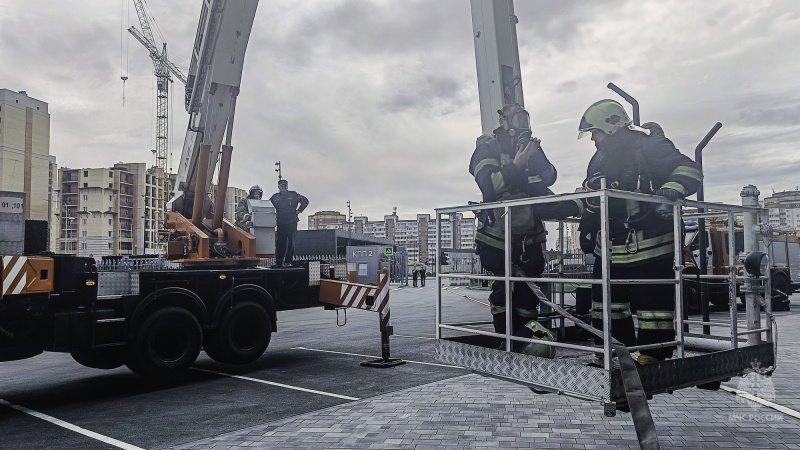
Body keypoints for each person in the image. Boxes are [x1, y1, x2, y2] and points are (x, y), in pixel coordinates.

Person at [577, 99, 702, 364]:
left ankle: (652, 356)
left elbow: (690, 169)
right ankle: (613, 354)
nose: (593, 139)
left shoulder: (650, 146)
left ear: (610, 127)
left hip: (651, 243)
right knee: (605, 305)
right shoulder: (598, 158)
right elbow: (592, 196)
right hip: (610, 246)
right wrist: (586, 229)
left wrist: (673, 188)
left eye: (595, 132)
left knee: (653, 307)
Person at [469, 103, 580, 341]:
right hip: (498, 240)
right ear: (502, 121)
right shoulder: (487, 149)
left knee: (528, 295)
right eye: (516, 118)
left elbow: (548, 178)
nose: (522, 123)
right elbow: (490, 187)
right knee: (502, 292)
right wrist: (516, 165)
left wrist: (534, 154)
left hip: (530, 239)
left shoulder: (530, 149)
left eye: (525, 118)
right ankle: (505, 340)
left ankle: (527, 341)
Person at [269, 179, 308, 267]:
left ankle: (288, 262)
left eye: (285, 185)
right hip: (280, 223)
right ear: (278, 187)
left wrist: (299, 211)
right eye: (282, 185)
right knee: (280, 243)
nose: (284, 187)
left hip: (291, 222)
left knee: (291, 242)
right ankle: (278, 263)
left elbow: (305, 201)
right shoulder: (274, 197)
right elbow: (267, 206)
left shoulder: (293, 194)